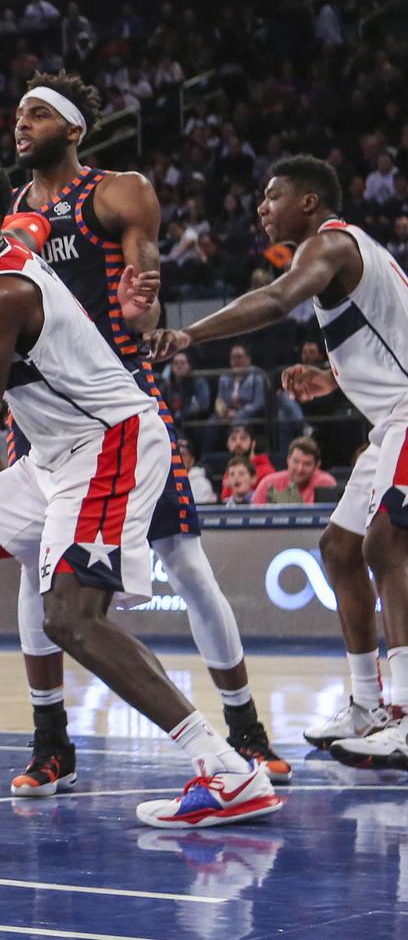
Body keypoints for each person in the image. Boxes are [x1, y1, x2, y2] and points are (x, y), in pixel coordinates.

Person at [0, 157, 279, 849]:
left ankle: (228, 770)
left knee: (70, 617)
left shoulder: (5, 289)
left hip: (109, 443)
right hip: (54, 457)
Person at [0, 70, 286, 794]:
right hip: (40, 414)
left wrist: (141, 309)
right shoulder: (10, 213)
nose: (21, 124)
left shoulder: (119, 191)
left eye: (37, 114)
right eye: (19, 114)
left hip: (118, 398)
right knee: (34, 568)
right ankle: (51, 742)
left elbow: (145, 306)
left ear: (73, 128)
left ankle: (246, 730)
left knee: (184, 560)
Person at [148, 155, 408, 765]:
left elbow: (275, 299)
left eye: (272, 197)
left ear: (309, 203)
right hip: (391, 419)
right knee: (339, 548)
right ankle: (367, 704)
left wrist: (189, 334)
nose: (261, 208)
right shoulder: (352, 255)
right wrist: (331, 378)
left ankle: (405, 709)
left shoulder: (328, 245)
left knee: (385, 546)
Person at [251, 436, 337, 504]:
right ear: (288, 459)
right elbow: (254, 517)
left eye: (307, 464)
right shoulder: (268, 483)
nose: (300, 469)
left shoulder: (325, 483)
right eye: (296, 462)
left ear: (316, 466)